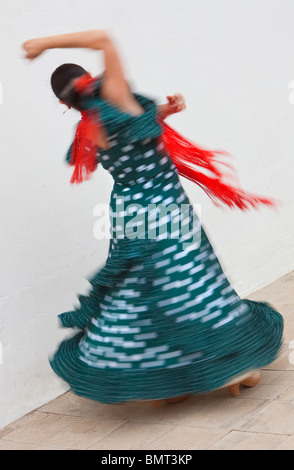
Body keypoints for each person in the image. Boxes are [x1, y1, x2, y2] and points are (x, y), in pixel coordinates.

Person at [22, 30, 284, 405]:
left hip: (129, 213)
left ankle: (169, 377)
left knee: (147, 289)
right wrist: (42, 45)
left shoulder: (87, 128)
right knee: (193, 281)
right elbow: (104, 40)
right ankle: (234, 367)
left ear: (65, 103)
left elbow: (131, 128)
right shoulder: (116, 98)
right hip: (164, 207)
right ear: (90, 80)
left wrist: (162, 112)